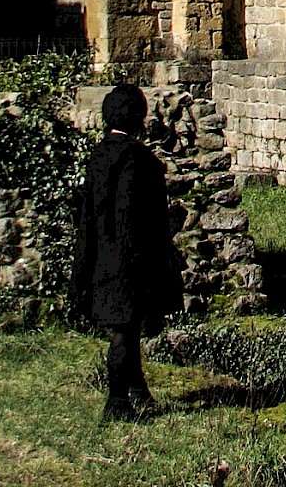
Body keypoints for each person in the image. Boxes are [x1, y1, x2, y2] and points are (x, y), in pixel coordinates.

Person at [74, 83, 183, 420]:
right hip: (132, 258)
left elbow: (86, 214)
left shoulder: (98, 156)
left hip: (100, 253)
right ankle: (117, 402)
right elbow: (152, 220)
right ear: (139, 118)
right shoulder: (141, 161)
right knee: (123, 331)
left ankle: (138, 390)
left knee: (127, 329)